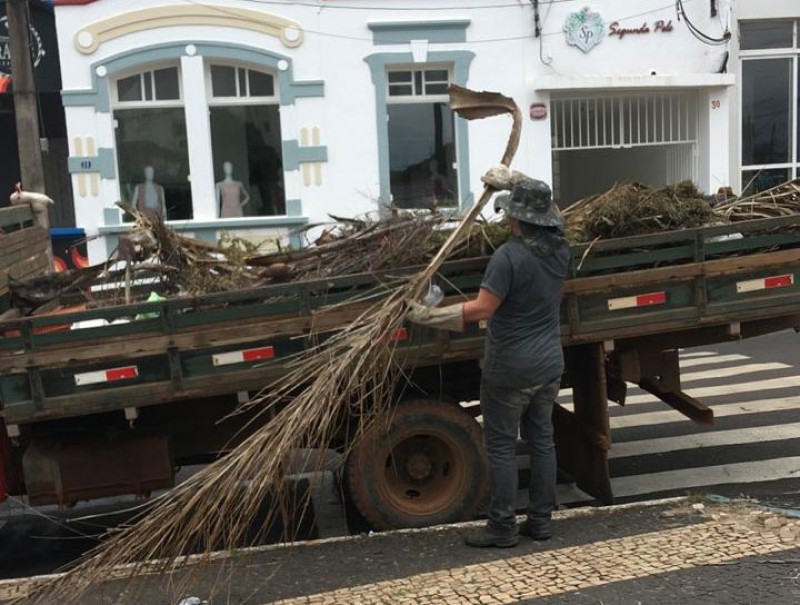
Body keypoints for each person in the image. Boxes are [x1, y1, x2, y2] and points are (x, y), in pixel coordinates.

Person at [406, 166, 570, 548]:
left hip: (511, 369)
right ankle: (541, 522)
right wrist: (517, 180)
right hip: (548, 365)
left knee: (500, 446)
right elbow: (554, 213)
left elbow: (481, 310)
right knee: (542, 440)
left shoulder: (508, 257)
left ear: (516, 217)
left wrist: (427, 314)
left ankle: (502, 528)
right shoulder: (562, 248)